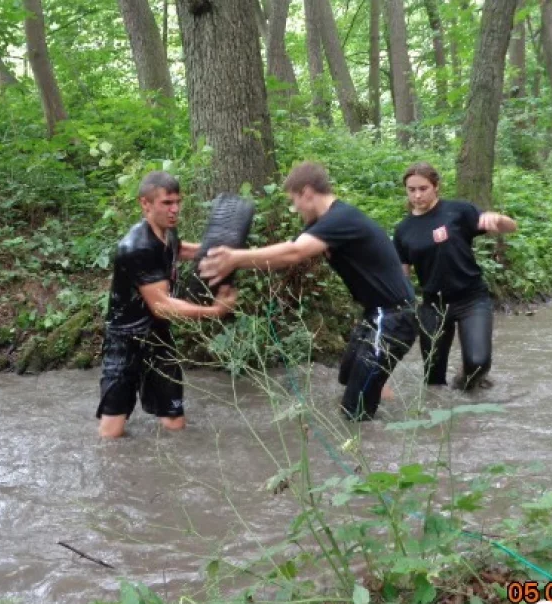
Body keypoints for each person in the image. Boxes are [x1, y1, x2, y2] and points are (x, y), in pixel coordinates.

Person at [199, 161, 417, 422]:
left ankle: (380, 438)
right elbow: (288, 249)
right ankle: (377, 390)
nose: (295, 209)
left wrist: (235, 259)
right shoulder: (325, 223)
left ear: (308, 192)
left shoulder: (340, 218)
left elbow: (294, 253)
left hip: (393, 318)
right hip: (376, 315)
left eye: (295, 201)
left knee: (354, 413)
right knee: (348, 375)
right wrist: (199, 252)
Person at [97, 171, 237, 439]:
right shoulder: (136, 247)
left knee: (175, 423)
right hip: (125, 342)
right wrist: (215, 311)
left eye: (177, 202)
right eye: (166, 203)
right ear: (145, 204)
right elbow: (161, 305)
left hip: (159, 338)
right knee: (111, 435)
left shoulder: (167, 232)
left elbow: (180, 249)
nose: (174, 210)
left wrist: (223, 255)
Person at [393, 162, 517, 390]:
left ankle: (463, 386)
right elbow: (402, 276)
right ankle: (440, 416)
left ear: (436, 186)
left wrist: (496, 218)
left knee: (478, 363)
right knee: (433, 380)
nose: (417, 195)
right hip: (433, 306)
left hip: (471, 299)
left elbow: (511, 227)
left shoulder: (458, 211)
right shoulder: (403, 230)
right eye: (412, 190)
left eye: (423, 188)